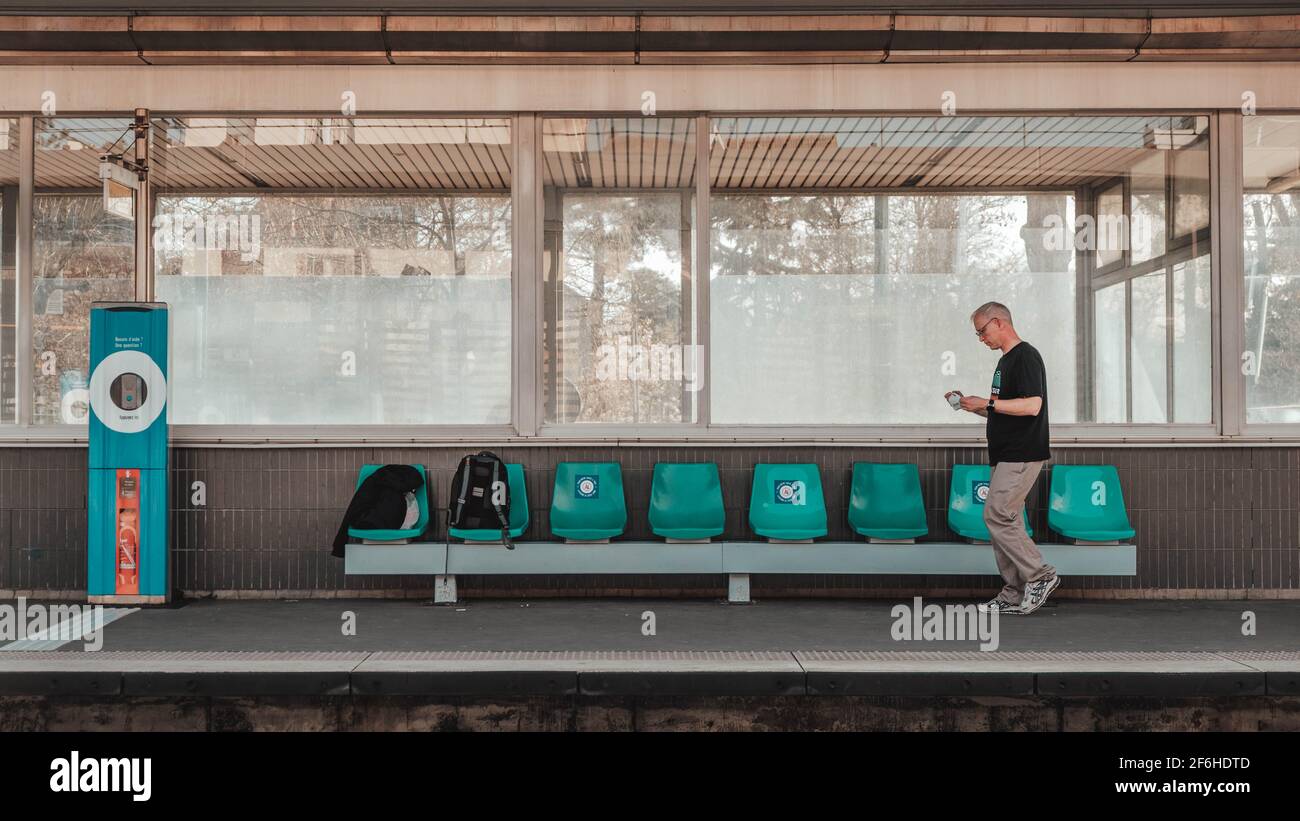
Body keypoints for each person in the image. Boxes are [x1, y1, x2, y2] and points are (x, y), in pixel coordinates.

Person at [945, 302, 1059, 615]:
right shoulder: (1005, 362)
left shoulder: (1025, 356)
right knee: (1001, 519)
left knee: (998, 515)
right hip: (1006, 453)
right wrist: (972, 405)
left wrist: (990, 404)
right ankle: (1014, 592)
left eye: (982, 330)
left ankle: (1040, 576)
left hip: (1022, 453)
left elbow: (1032, 406)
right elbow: (1004, 411)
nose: (980, 338)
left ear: (998, 322)